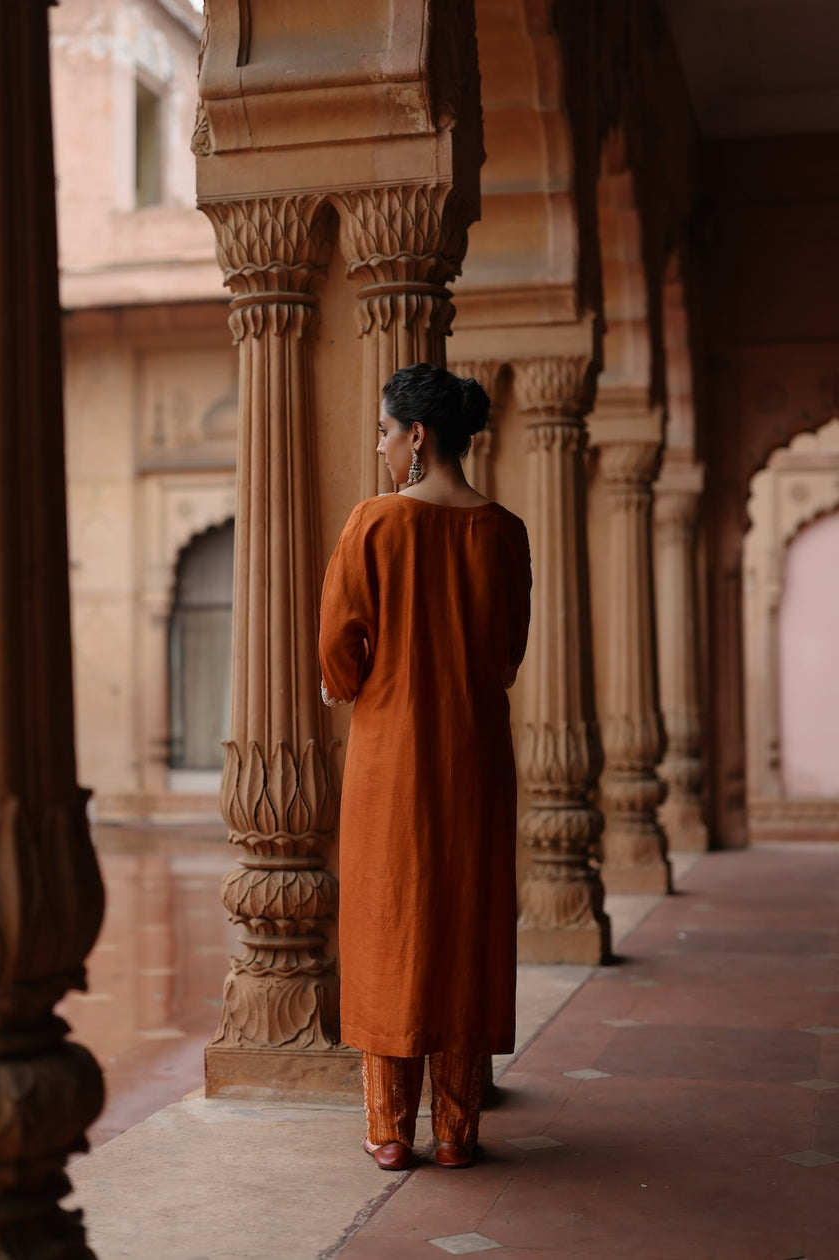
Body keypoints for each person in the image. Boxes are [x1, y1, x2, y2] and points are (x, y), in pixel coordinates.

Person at [318, 362, 531, 1171]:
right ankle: (456, 1130)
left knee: (389, 921)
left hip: (391, 758)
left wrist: (354, 686)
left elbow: (339, 644)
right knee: (466, 920)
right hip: (474, 754)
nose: (378, 446)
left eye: (383, 430)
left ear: (417, 435)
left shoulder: (375, 524)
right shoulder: (504, 531)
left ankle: (387, 1131)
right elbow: (507, 653)